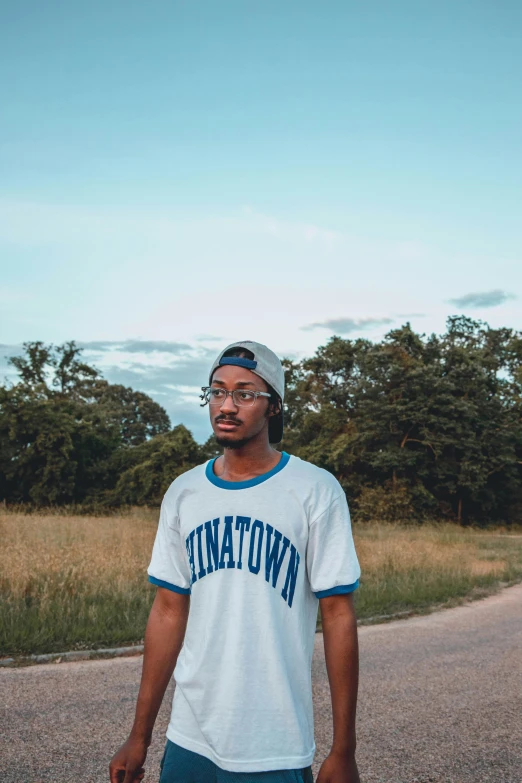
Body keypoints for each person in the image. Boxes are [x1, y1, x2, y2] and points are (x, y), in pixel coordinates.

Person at [109, 340, 362, 783]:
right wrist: (139, 736)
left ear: (274, 407)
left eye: (245, 393)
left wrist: (343, 750)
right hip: (190, 736)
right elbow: (168, 611)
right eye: (218, 392)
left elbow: (338, 615)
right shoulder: (184, 492)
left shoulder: (314, 490)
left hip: (275, 741)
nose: (227, 405)